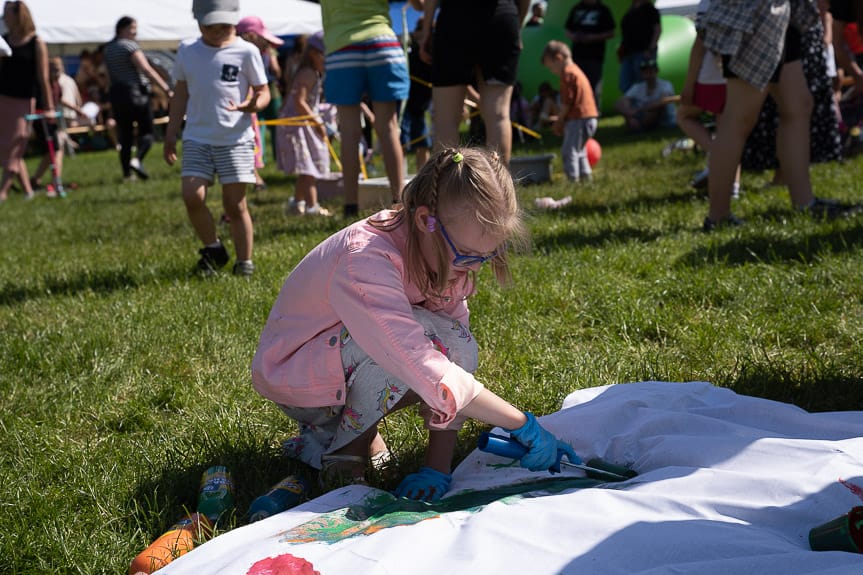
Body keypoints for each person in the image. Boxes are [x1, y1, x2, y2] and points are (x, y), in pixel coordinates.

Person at [251, 146, 580, 500]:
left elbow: (457, 357)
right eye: (470, 256)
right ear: (426, 221)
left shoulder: (448, 255)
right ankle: (343, 455)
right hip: (296, 376)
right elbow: (416, 359)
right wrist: (521, 424)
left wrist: (437, 468)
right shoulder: (366, 258)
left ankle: (344, 433)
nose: (476, 268)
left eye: (489, 256)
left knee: (455, 340)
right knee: (407, 343)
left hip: (342, 365)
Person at [701, 0, 861, 230]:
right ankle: (717, 217)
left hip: (781, 14)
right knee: (738, 118)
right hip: (753, 13)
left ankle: (804, 202)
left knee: (798, 105)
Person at [163, 0, 270, 276]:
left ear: (235, 21)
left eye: (223, 26)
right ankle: (213, 247)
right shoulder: (188, 50)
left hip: (235, 139)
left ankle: (244, 262)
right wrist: (171, 133)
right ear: (198, 21)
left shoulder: (246, 51)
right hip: (197, 137)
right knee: (192, 195)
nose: (216, 31)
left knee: (235, 205)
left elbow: (263, 91)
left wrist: (254, 104)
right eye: (210, 26)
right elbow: (180, 95)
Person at [319, 0, 413, 218]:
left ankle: (350, 207)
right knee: (388, 129)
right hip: (383, 44)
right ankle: (399, 203)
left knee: (350, 134)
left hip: (342, 46)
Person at [420, 0, 531, 165]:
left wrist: (426, 32)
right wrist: (517, 25)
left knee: (446, 120)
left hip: (455, 20)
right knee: (498, 116)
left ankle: (448, 188)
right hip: (502, 17)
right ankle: (499, 188)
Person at [676, 0, 740, 196]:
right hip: (737, 73)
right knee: (729, 131)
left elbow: (701, 43)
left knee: (684, 116)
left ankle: (717, 156)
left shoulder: (708, 4)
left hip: (712, 76)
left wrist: (689, 84)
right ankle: (732, 186)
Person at [104, 16, 173, 182]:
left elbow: (109, 76)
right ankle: (138, 159)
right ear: (122, 29)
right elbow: (146, 69)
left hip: (118, 96)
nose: (135, 32)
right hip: (136, 95)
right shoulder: (129, 46)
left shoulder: (109, 48)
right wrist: (166, 88)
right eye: (132, 28)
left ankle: (127, 174)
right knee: (148, 131)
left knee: (125, 135)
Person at [0, 0, 53, 202]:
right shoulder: (4, 41)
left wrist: (48, 107)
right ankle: (29, 192)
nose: (4, 18)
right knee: (7, 147)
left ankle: (3, 192)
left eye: (7, 13)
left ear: (18, 15)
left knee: (14, 145)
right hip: (3, 99)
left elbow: (43, 78)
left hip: (22, 101)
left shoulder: (36, 42)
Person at [277, 30, 332, 217]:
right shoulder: (308, 73)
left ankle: (297, 203)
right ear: (313, 54)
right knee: (310, 168)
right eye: (326, 56)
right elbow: (299, 102)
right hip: (300, 125)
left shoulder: (312, 73)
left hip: (304, 123)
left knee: (306, 167)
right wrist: (317, 122)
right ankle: (312, 206)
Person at [237, 15, 283, 189]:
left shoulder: (256, 53)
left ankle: (254, 176)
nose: (266, 44)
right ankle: (254, 177)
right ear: (251, 36)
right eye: (262, 38)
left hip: (250, 105)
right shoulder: (246, 54)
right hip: (242, 107)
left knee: (255, 136)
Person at [541, 40, 598, 183]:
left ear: (558, 58)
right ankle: (586, 178)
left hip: (579, 118)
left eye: (551, 67)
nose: (552, 72)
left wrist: (559, 121)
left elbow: (567, 103)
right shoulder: (577, 70)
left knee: (569, 151)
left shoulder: (567, 74)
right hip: (591, 117)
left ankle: (573, 180)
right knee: (580, 151)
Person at [30, 57, 86, 197]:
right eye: (53, 69)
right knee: (54, 149)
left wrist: (77, 110)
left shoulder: (57, 84)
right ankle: (49, 181)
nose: (56, 71)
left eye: (58, 69)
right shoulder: (41, 84)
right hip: (41, 120)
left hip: (53, 120)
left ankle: (39, 179)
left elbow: (60, 99)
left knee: (54, 149)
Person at [564, 0, 616, 106]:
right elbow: (567, 30)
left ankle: (593, 116)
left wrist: (592, 38)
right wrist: (574, 37)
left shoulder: (603, 10)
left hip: (594, 56)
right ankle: (578, 115)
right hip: (577, 56)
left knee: (593, 87)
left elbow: (611, 32)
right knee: (576, 87)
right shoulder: (577, 8)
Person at [401, 16, 433, 172]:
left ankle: (423, 175)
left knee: (423, 142)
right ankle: (402, 175)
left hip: (421, 106)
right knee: (402, 141)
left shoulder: (433, 52)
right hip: (405, 104)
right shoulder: (411, 51)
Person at [614, 58, 676, 132]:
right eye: (645, 71)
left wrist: (640, 109)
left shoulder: (666, 85)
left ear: (656, 71)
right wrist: (629, 114)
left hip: (664, 120)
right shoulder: (637, 87)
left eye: (650, 70)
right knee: (621, 104)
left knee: (656, 108)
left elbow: (663, 101)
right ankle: (635, 124)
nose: (648, 74)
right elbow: (622, 101)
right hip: (641, 115)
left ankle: (641, 126)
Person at [618, 0, 661, 94]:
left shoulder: (649, 9)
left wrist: (651, 48)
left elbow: (657, 29)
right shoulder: (631, 9)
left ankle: (644, 107)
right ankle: (632, 106)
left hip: (643, 52)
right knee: (625, 84)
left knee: (642, 82)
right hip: (628, 53)